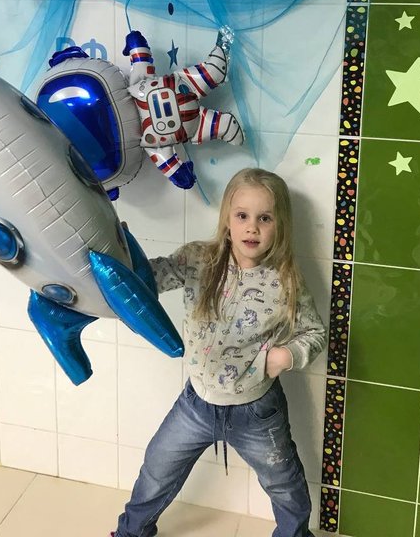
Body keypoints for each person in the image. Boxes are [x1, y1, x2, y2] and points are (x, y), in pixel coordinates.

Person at [112, 167, 327, 537]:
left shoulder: (285, 281)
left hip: (257, 411)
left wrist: (286, 356)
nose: (252, 228)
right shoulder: (199, 259)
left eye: (264, 218)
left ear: (280, 225)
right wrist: (124, 254)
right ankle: (132, 532)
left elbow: (314, 332)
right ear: (227, 218)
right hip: (196, 402)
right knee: (157, 468)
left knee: (284, 484)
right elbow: (153, 278)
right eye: (242, 215)